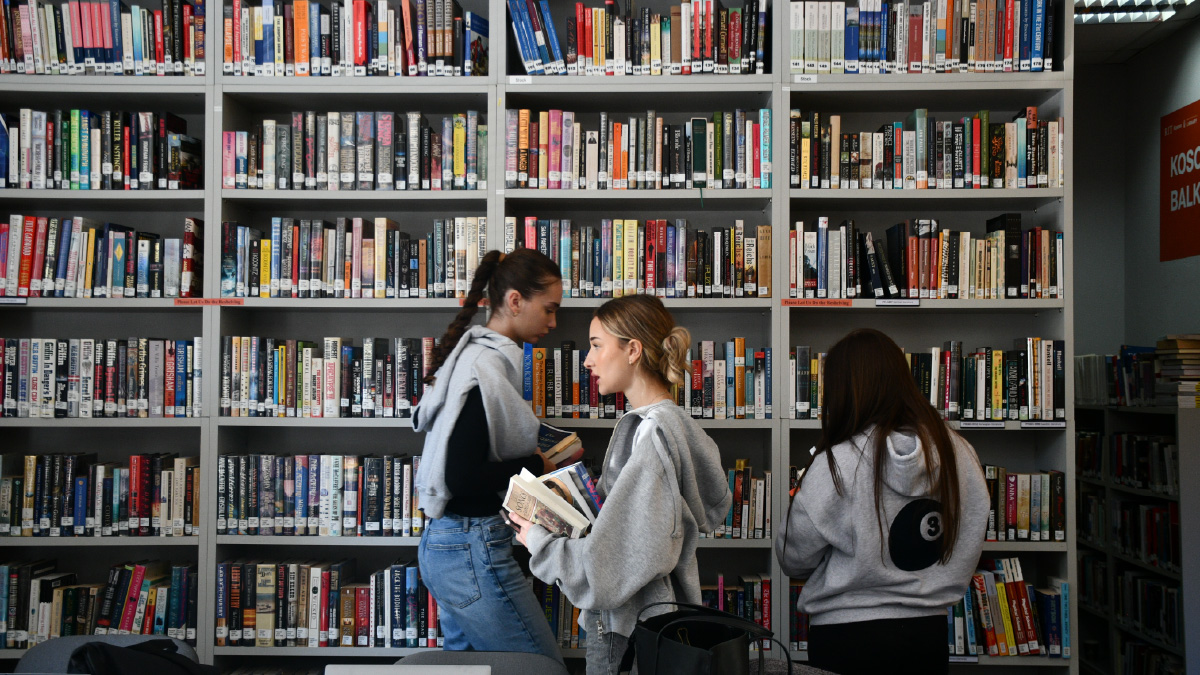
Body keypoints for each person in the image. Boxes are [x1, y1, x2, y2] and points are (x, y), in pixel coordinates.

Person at [509, 294, 733, 675]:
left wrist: (538, 541)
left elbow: (606, 570)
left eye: (597, 345)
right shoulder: (673, 426)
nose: (587, 359)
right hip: (647, 624)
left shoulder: (653, 439)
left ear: (633, 350)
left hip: (624, 634)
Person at [774, 328, 989, 675]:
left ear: (844, 390)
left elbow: (793, 557)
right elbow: (969, 537)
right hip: (928, 634)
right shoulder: (959, 453)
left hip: (844, 635)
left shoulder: (839, 461)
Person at [413, 247, 571, 663]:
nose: (554, 323)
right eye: (549, 309)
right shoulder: (485, 366)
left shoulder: (476, 359)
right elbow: (461, 478)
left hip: (450, 544)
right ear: (515, 301)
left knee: (466, 668)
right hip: (470, 547)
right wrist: (539, 464)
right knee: (541, 668)